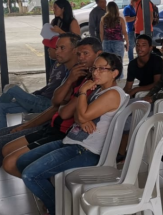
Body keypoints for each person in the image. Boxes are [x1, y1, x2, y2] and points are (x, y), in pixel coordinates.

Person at [16, 52, 126, 215]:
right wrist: (82, 118)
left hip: (85, 150)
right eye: (94, 68)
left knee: (30, 175)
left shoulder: (113, 93)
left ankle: (57, 210)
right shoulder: (99, 91)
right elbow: (76, 115)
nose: (95, 73)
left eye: (101, 69)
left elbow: (80, 114)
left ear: (114, 73)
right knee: (22, 161)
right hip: (72, 142)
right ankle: (58, 201)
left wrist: (82, 93)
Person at [2, 37, 102, 175]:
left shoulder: (93, 83)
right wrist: (69, 80)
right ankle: (41, 184)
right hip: (53, 126)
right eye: (79, 54)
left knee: (11, 161)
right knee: (7, 149)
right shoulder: (79, 75)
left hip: (64, 133)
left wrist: (65, 104)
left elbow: (64, 111)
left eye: (86, 54)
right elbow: (57, 102)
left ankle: (44, 187)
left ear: (98, 54)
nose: (81, 58)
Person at [0, 36, 69, 129]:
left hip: (46, 104)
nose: (48, 50)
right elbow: (49, 86)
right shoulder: (55, 65)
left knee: (11, 88)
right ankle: (3, 136)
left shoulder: (66, 67)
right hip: (39, 99)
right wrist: (36, 93)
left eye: (50, 48)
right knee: (1, 107)